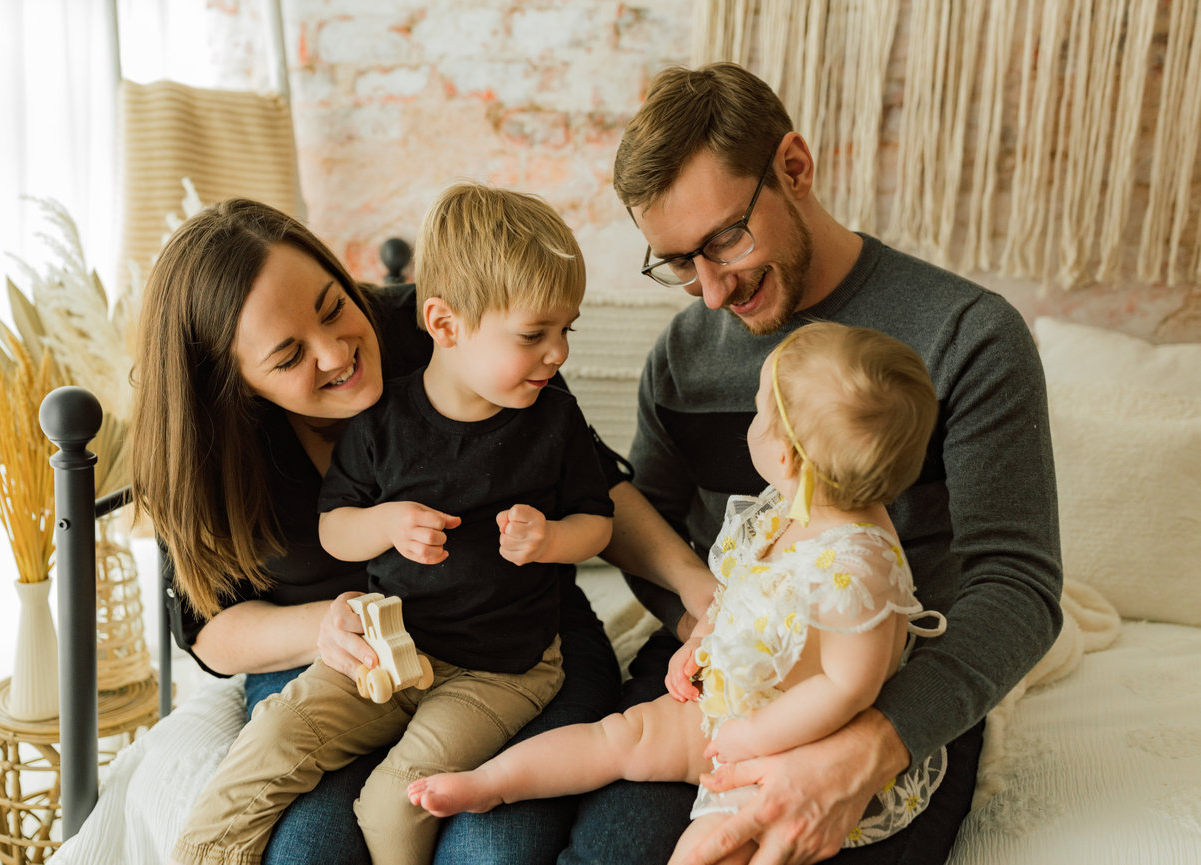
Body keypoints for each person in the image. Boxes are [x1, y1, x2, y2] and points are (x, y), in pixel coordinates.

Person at [561, 62, 1063, 865]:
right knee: (611, 851)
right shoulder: (683, 355)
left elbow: (1021, 586)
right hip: (725, 671)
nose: (713, 292)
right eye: (681, 262)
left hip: (892, 688)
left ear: (795, 167)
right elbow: (649, 525)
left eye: (725, 238)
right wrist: (714, 632)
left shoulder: (968, 335)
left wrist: (873, 742)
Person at [129, 196, 634, 865]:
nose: (338, 351)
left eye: (334, 305)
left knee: (486, 846)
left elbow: (600, 494)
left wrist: (693, 589)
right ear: (236, 385)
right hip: (346, 655)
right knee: (308, 850)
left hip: (506, 646)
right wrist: (328, 625)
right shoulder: (206, 449)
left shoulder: (454, 330)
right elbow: (210, 631)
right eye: (287, 356)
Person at [412, 322, 953, 864]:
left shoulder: (859, 567)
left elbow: (848, 688)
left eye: (761, 410)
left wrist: (757, 735)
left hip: (795, 746)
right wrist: (704, 641)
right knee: (620, 738)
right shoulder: (793, 506)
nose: (752, 418)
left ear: (788, 457)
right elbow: (744, 589)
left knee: (713, 846)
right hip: (732, 701)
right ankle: (490, 783)